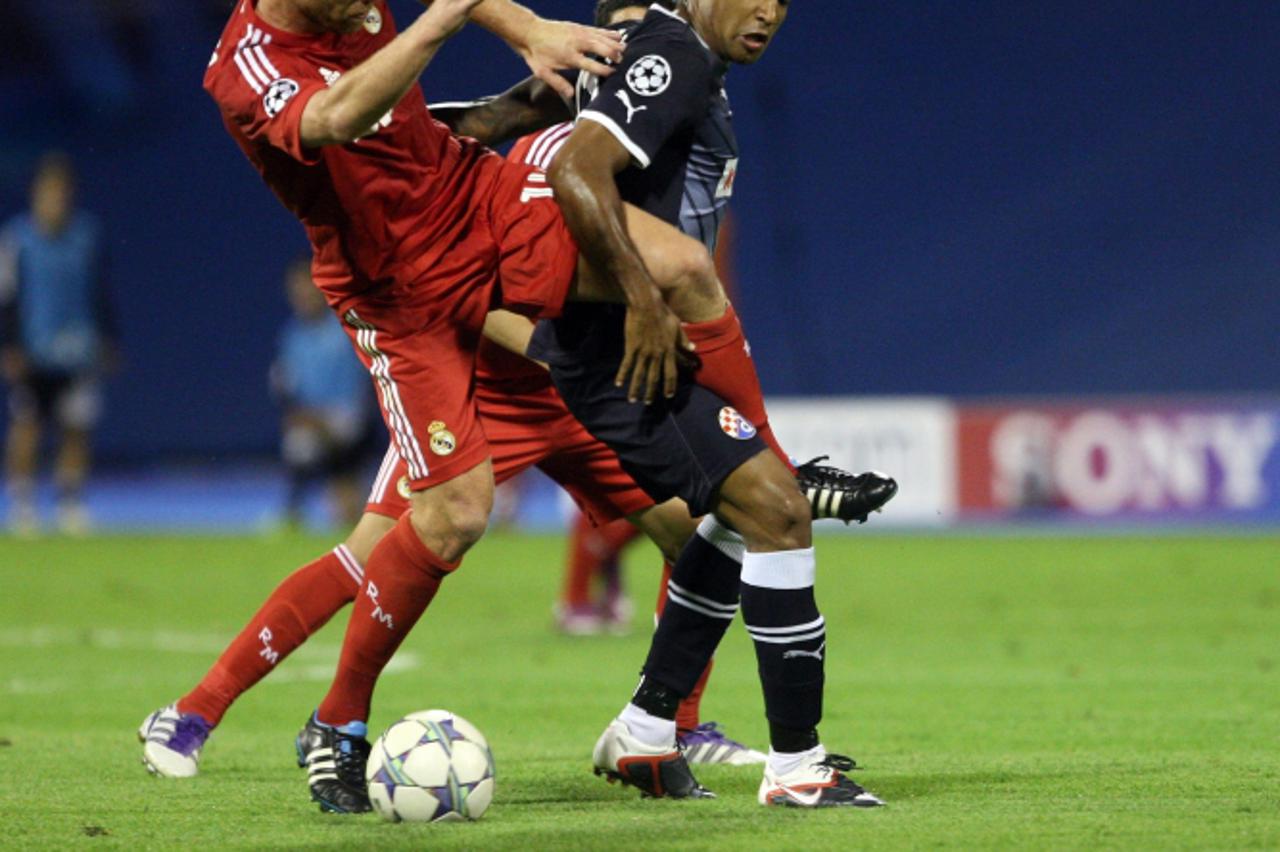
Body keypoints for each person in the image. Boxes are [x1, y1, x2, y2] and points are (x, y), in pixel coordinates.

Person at [453, 0, 891, 807]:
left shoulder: (673, 60)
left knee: (729, 525)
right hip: (626, 348)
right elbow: (575, 170)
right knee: (778, 512)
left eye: (784, 2)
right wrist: (642, 300)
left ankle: (647, 732)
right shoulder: (673, 53)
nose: (769, 12)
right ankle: (798, 766)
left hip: (635, 344)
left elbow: (487, 122)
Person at [0, 152, 117, 536]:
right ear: (36, 193)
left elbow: (100, 293)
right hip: (33, 351)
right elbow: (7, 297)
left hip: (78, 350)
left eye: (62, 192)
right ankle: (22, 503)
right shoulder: (17, 239)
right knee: (27, 426)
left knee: (76, 427)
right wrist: (10, 346)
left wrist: (108, 338)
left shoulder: (86, 236)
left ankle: (70, 503)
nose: (56, 200)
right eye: (49, 192)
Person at [272, 257, 376, 527]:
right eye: (295, 290)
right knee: (300, 444)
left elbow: (363, 390)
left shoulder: (347, 327)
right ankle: (293, 510)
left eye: (307, 288)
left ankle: (348, 491)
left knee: (332, 434)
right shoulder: (292, 334)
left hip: (350, 416)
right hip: (311, 420)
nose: (302, 295)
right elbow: (289, 389)